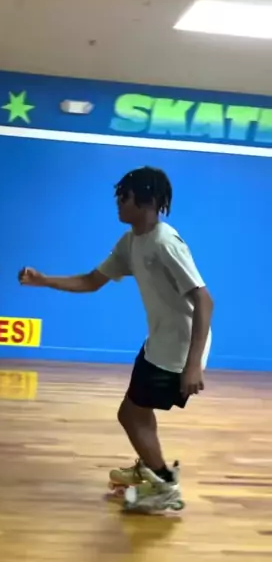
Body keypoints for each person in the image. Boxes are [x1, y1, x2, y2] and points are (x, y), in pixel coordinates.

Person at [19, 166, 213, 513]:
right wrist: (44, 280)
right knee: (135, 411)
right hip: (159, 341)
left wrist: (193, 364)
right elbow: (92, 281)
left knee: (131, 415)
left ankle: (164, 486)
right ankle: (151, 467)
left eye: (124, 196)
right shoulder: (131, 241)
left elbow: (204, 299)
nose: (118, 203)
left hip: (178, 349)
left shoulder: (165, 243)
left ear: (147, 200)